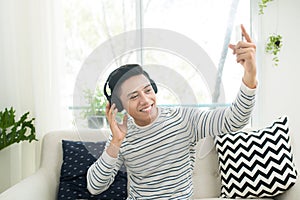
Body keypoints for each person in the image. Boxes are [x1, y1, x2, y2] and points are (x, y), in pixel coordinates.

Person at [87, 24, 257, 199]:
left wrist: (250, 75)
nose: (145, 100)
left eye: (147, 90)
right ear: (119, 106)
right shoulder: (121, 136)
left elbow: (235, 119)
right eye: (133, 96)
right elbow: (94, 187)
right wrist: (115, 142)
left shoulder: (184, 119)